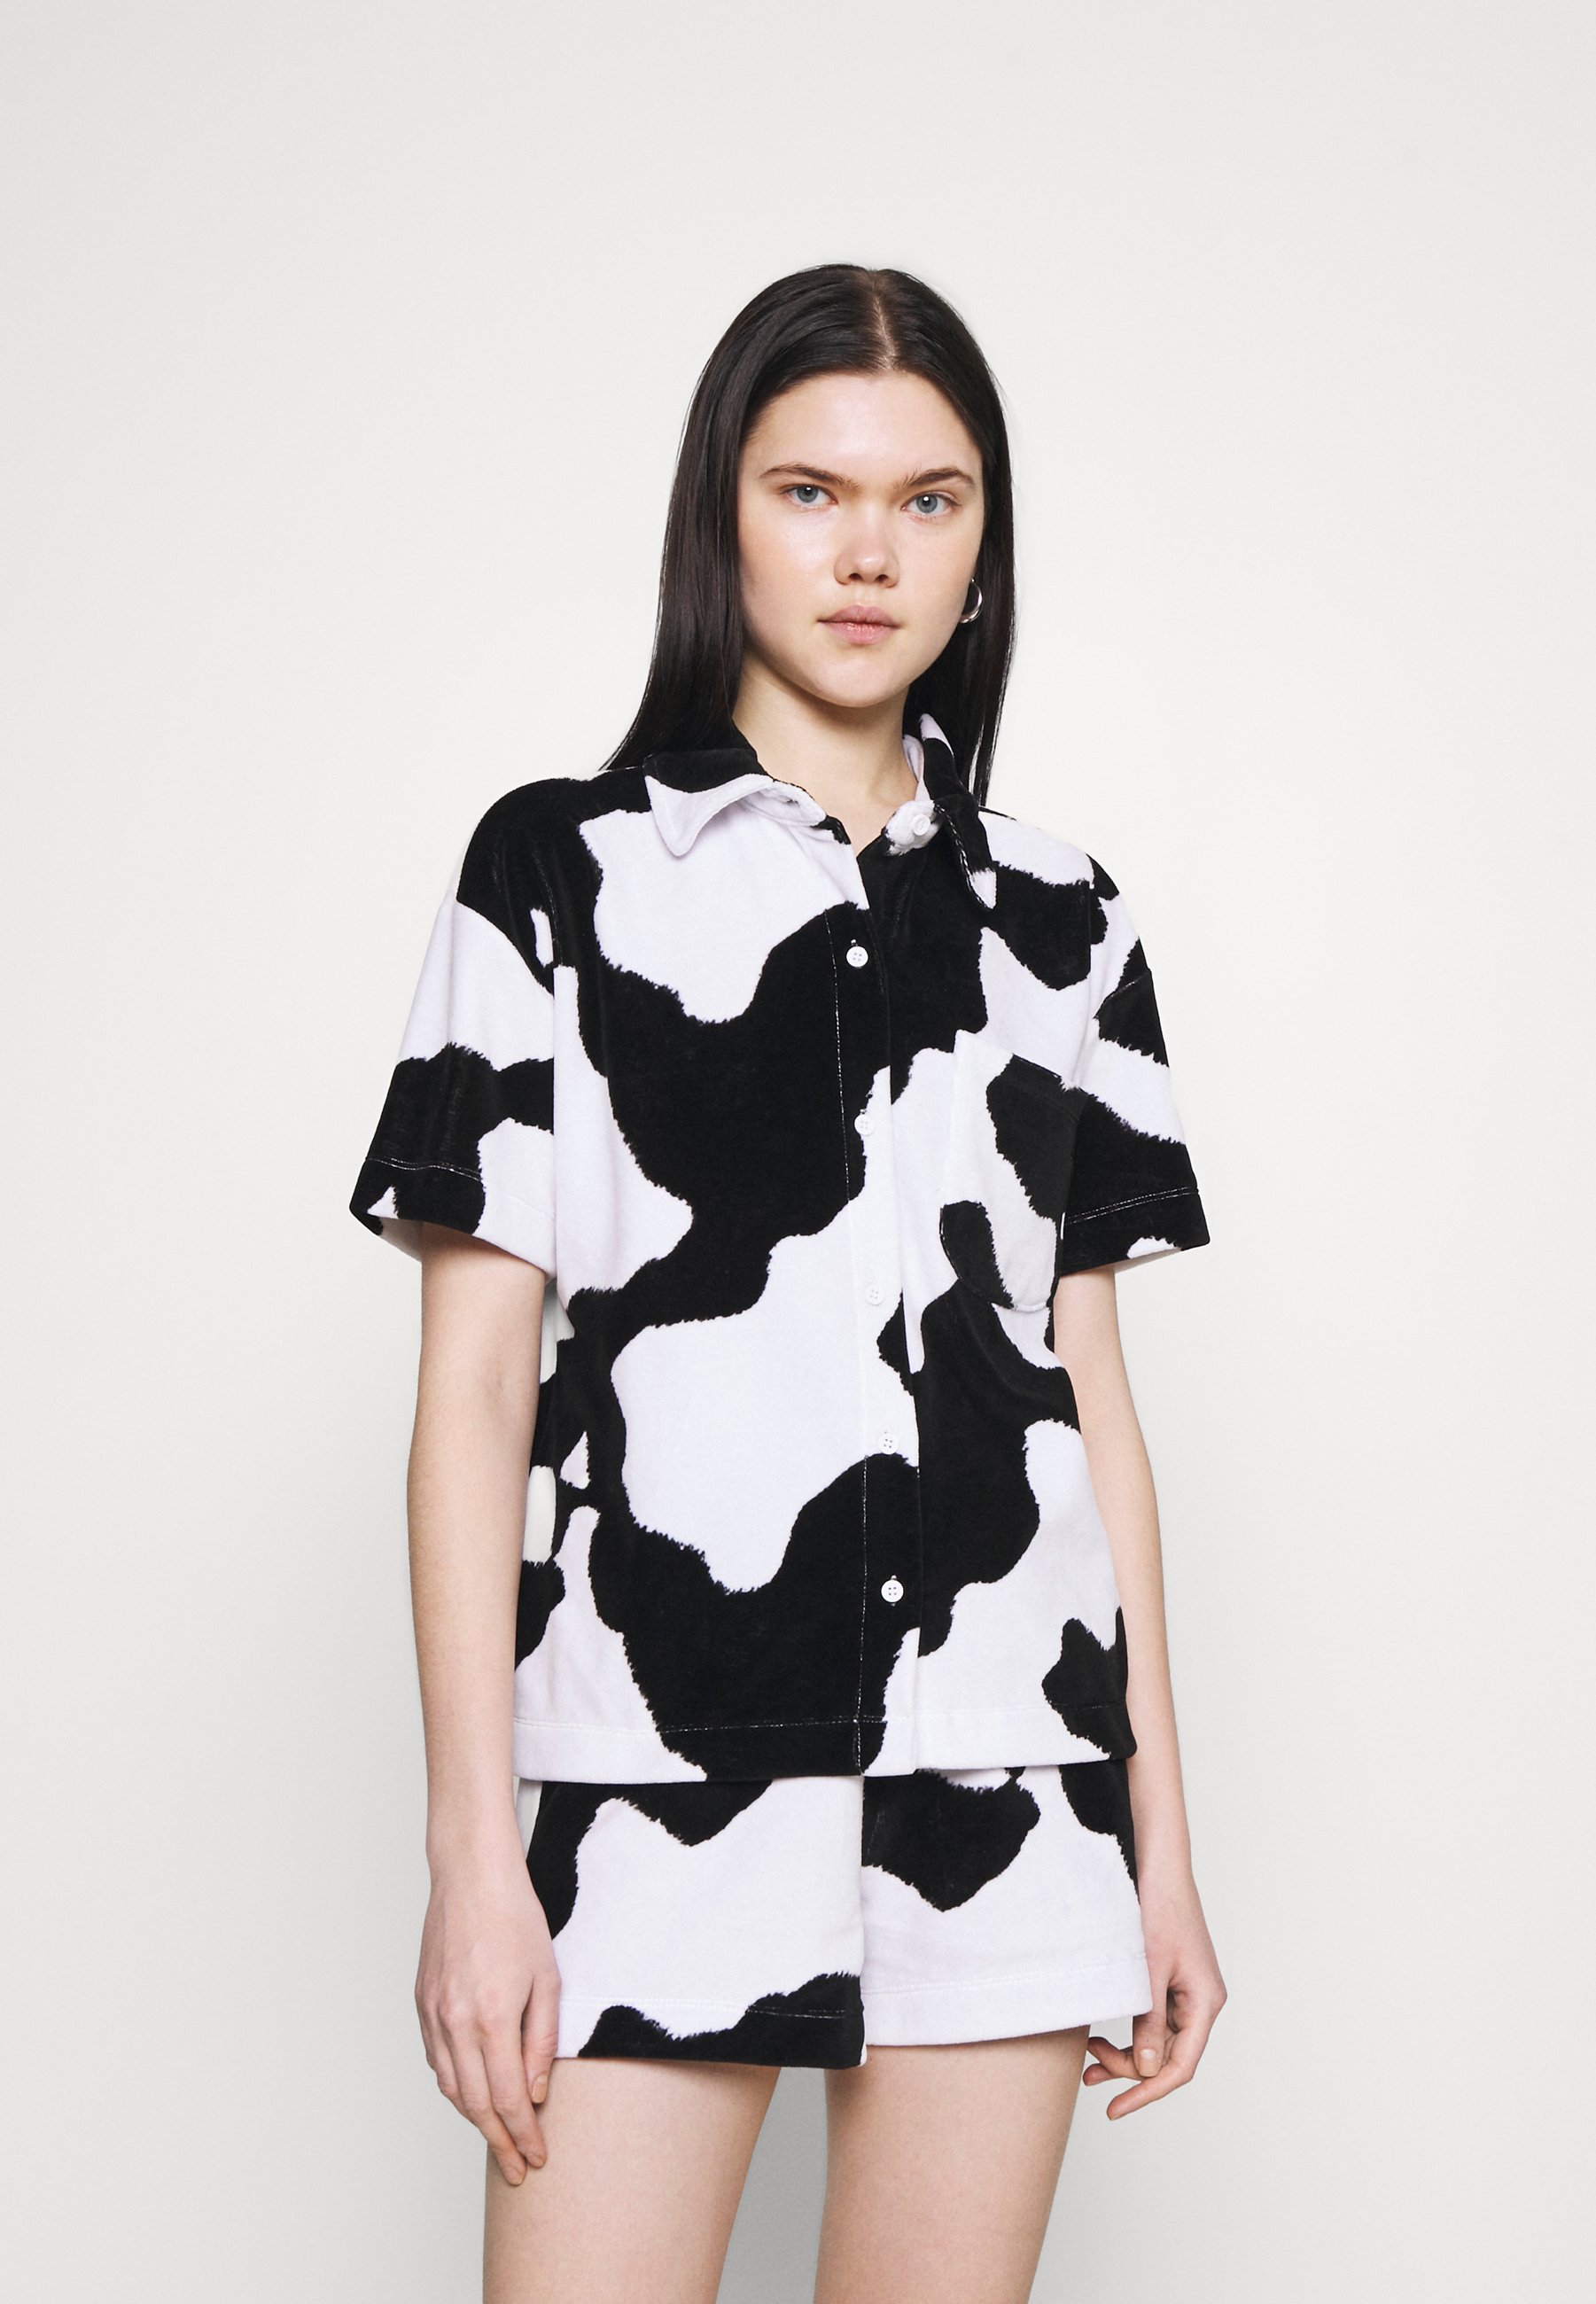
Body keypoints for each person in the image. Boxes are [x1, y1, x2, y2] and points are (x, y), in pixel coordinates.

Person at [349, 263, 1227, 2304]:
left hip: (1005, 1775)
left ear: (982, 546)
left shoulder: (1064, 922)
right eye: (809, 490)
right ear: (721, 516)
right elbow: (473, 1391)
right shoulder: (556, 875)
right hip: (651, 1772)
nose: (868, 551)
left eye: (929, 500)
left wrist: (1157, 1843)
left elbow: (1089, 1398)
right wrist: (475, 1853)